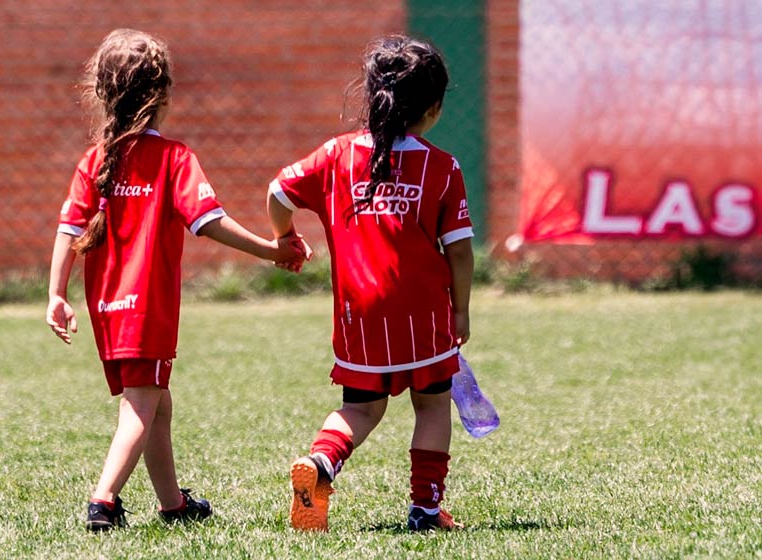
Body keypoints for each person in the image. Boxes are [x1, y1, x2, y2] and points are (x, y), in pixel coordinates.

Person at [46, 29, 309, 532]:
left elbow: (68, 228)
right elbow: (207, 220)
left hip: (105, 305)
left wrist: (57, 294)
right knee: (142, 405)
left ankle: (173, 505)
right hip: (146, 307)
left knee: (157, 404)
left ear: (102, 93)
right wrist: (270, 249)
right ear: (162, 93)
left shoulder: (94, 160)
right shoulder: (173, 158)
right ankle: (104, 500)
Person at [267, 35, 475, 532]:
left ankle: (319, 466)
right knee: (431, 404)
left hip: (359, 316)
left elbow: (278, 190)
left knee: (360, 409)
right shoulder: (442, 167)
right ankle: (425, 511)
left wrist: (284, 238)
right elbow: (461, 250)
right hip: (423, 312)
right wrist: (461, 309)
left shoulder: (336, 155)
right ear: (433, 106)